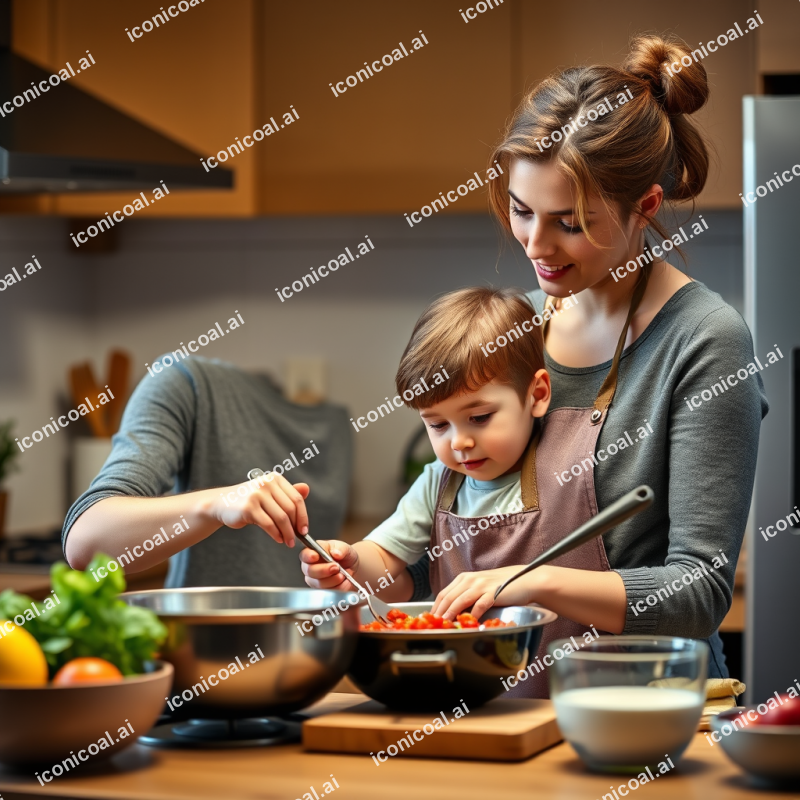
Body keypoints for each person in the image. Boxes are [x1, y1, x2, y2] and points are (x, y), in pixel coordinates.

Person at [305, 32, 768, 686]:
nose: (536, 244)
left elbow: (695, 593)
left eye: (570, 223)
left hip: (638, 710)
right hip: (497, 699)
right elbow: (425, 555)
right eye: (522, 211)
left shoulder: (703, 340)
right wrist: (355, 564)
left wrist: (537, 580)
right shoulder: (516, 327)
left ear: (647, 208)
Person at [63, 356, 352, 588]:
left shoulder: (335, 424)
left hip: (313, 646)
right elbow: (85, 540)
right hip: (221, 652)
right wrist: (217, 504)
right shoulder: (183, 384)